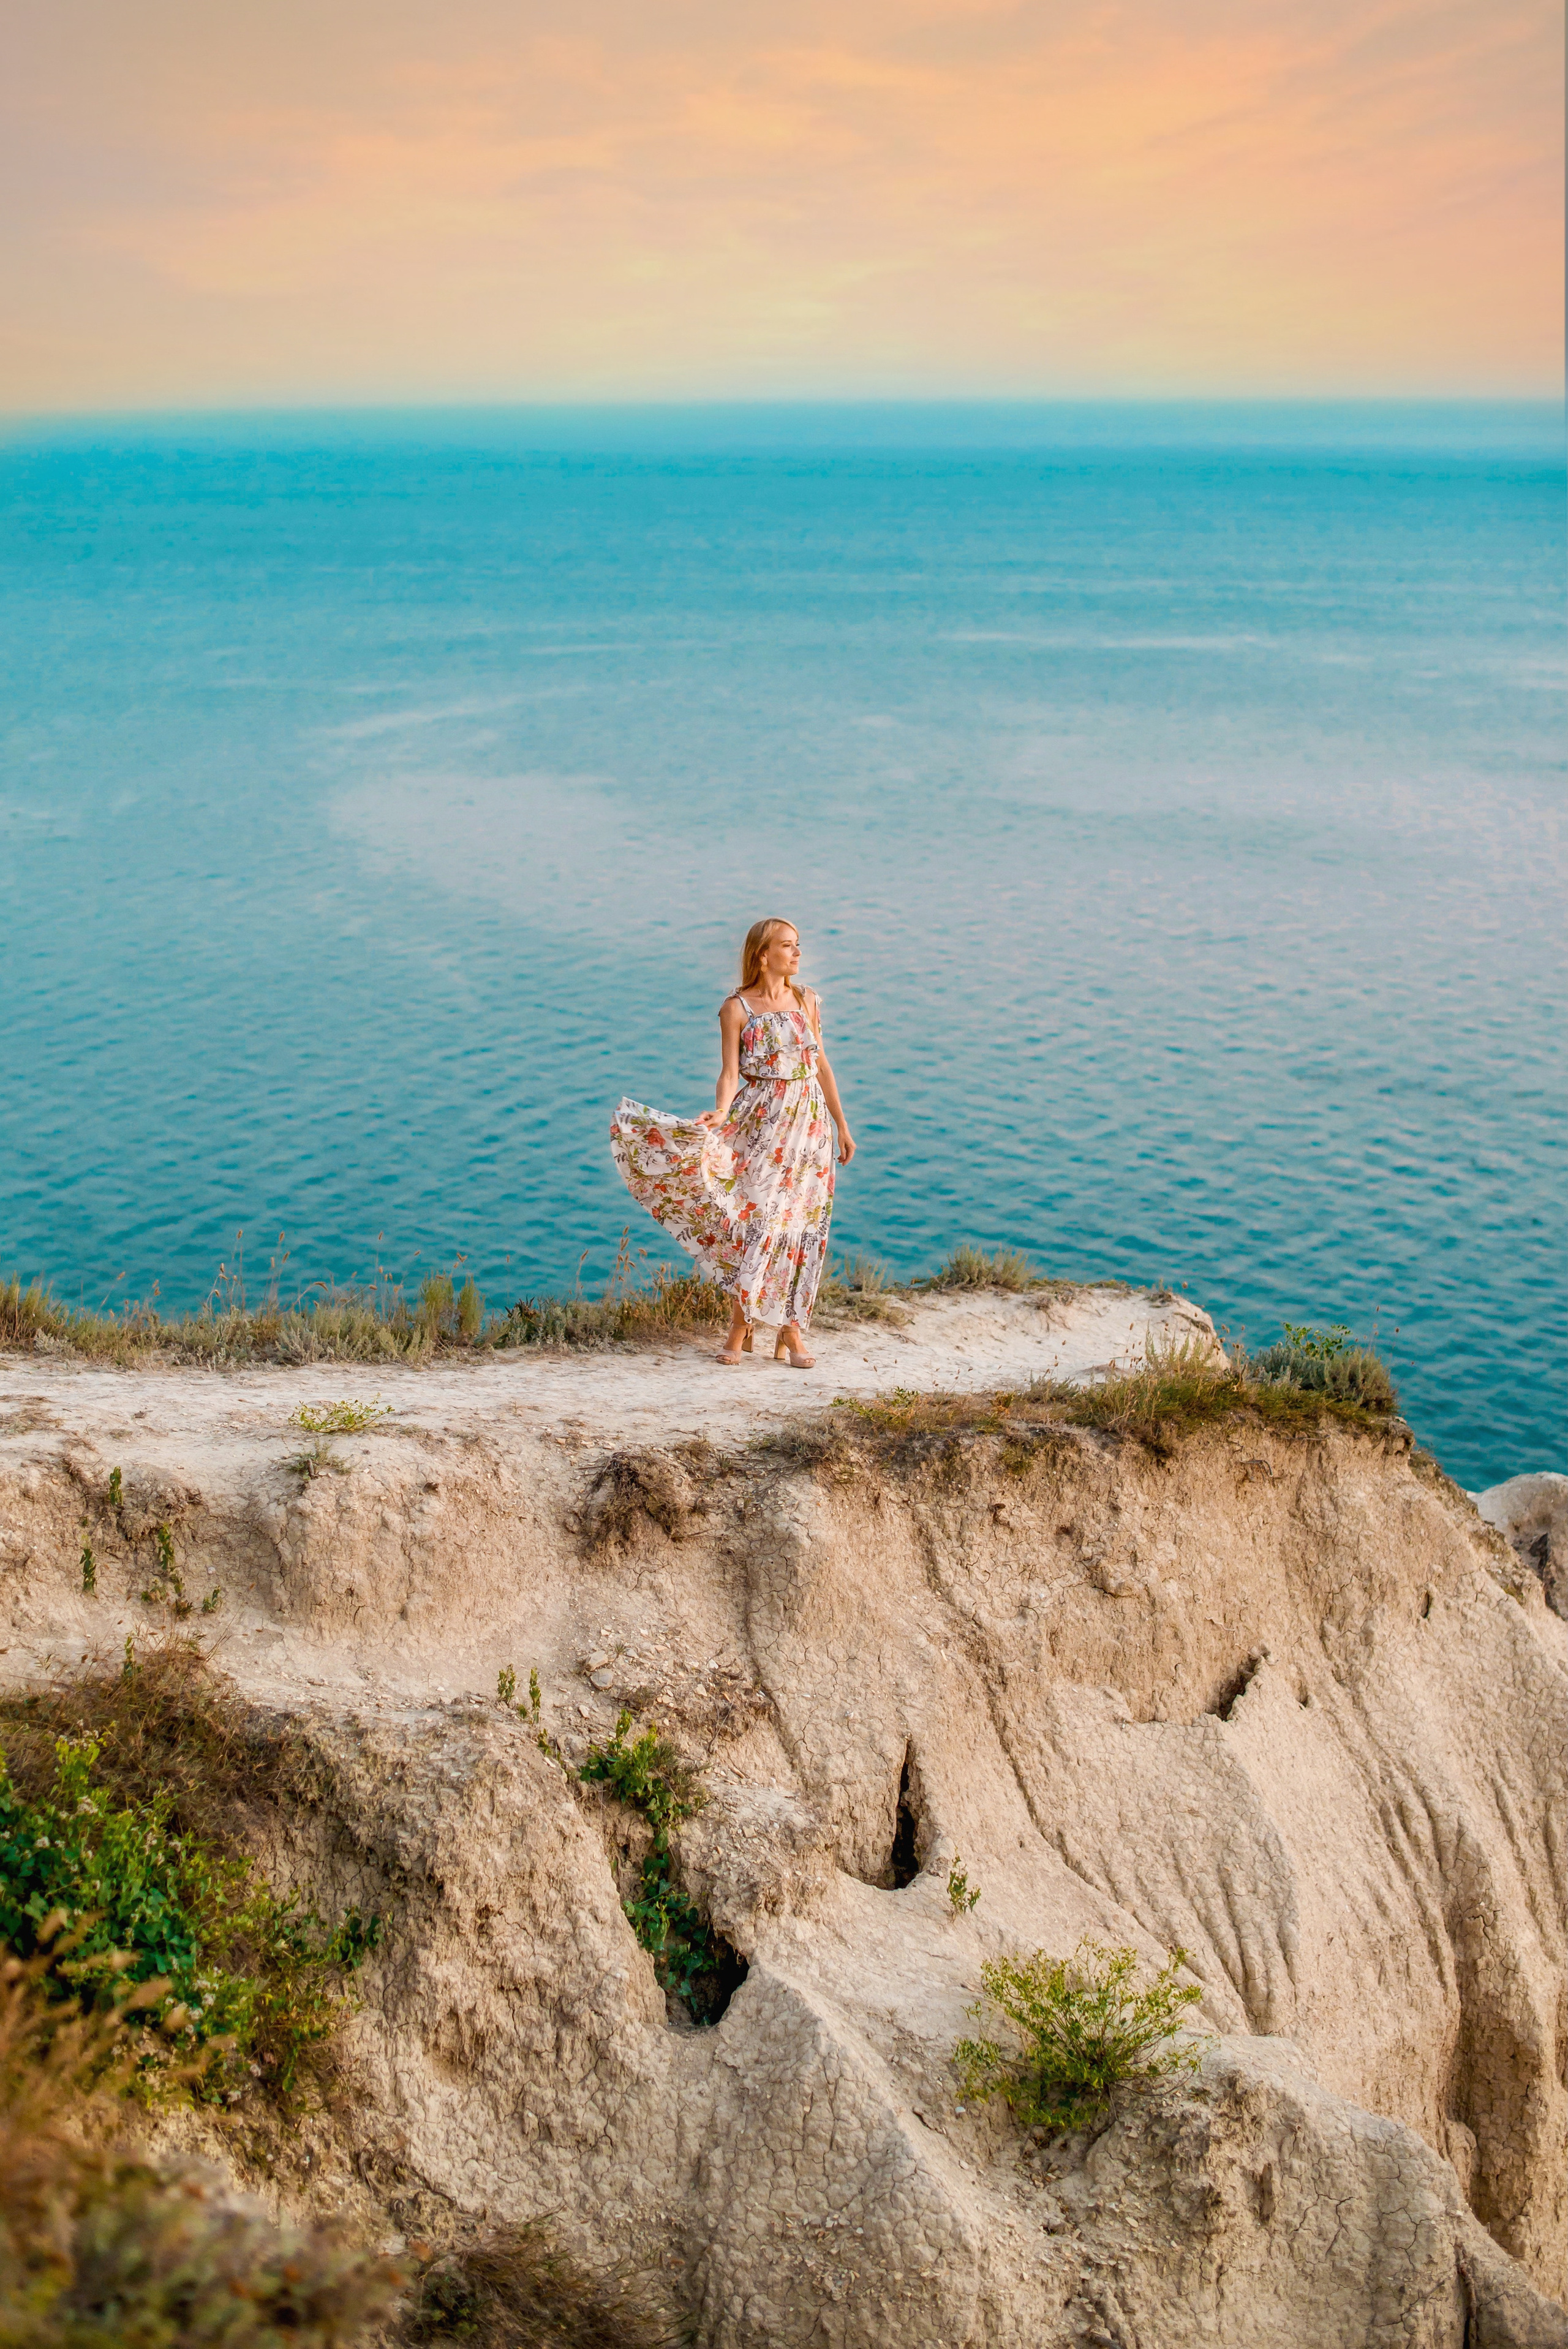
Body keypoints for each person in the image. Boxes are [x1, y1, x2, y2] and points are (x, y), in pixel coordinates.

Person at [609, 918, 856, 1367]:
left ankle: (791, 1330)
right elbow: (728, 1072)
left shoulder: (809, 1000)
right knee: (757, 1222)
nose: (798, 953)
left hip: (810, 1126)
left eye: (798, 946)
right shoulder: (737, 1008)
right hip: (761, 1122)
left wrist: (841, 1123)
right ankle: (741, 1327)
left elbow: (821, 1065)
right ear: (764, 955)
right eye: (788, 946)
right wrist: (720, 1112)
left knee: (801, 1226)